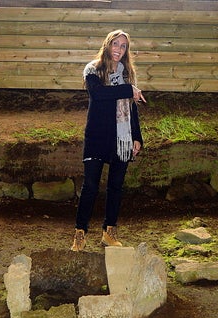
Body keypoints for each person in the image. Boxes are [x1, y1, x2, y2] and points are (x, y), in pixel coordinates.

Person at [71, 30, 146, 252]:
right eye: (115, 44)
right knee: (90, 187)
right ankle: (80, 233)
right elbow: (99, 94)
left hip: (121, 138)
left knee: (115, 187)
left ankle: (109, 232)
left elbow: (132, 109)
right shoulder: (93, 69)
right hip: (97, 135)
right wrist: (129, 89)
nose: (119, 49)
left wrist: (136, 137)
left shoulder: (127, 75)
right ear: (107, 45)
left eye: (123, 46)